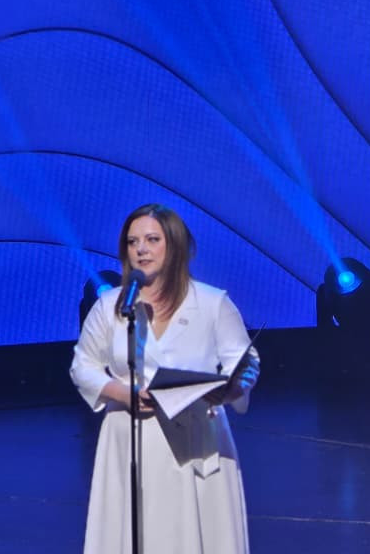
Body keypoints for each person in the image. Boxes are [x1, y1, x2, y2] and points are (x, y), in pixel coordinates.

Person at [70, 203, 260, 553]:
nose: (141, 249)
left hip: (196, 436)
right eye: (132, 242)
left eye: (152, 240)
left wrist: (232, 387)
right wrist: (122, 393)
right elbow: (83, 365)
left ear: (175, 245)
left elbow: (246, 361)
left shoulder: (212, 303)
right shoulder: (112, 306)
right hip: (130, 436)